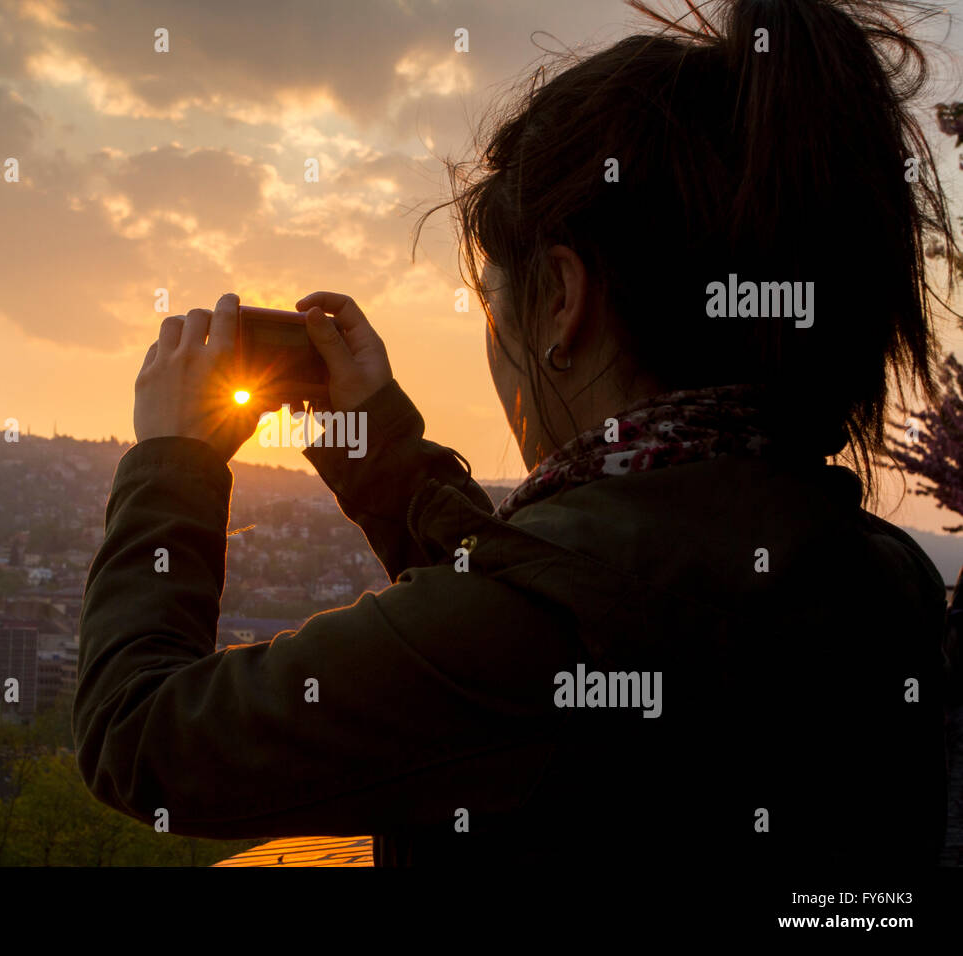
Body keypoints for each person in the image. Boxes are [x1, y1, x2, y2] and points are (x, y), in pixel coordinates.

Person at [72, 0, 953, 867]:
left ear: (562, 302)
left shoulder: (548, 633)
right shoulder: (880, 572)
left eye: (495, 307)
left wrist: (171, 462)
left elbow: (142, 736)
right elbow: (541, 587)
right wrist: (377, 450)